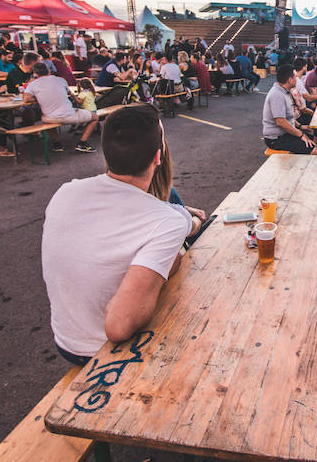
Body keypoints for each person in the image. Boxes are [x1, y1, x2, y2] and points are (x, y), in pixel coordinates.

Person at [42, 105, 204, 362]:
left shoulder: (65, 192)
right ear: (157, 158)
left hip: (65, 340)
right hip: (100, 352)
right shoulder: (166, 220)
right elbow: (118, 327)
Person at [23, 62, 99, 153]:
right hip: (70, 116)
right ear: (49, 71)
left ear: (35, 74)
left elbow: (26, 99)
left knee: (44, 117)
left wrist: (37, 96)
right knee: (95, 117)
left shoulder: (32, 84)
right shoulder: (61, 80)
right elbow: (68, 93)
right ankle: (82, 143)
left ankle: (57, 144)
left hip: (51, 118)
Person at [262, 64, 317, 155]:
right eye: (295, 77)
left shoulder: (284, 91)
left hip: (285, 134)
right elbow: (281, 122)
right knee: (316, 151)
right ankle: (302, 167)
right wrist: (300, 134)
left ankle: (302, 163)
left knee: (316, 140)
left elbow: (288, 117)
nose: (297, 79)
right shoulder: (277, 95)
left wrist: (300, 127)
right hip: (276, 139)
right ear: (289, 80)